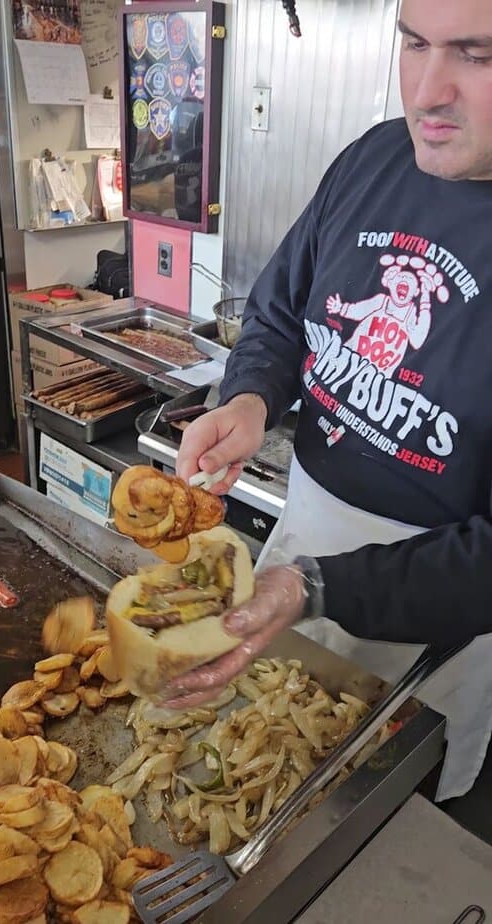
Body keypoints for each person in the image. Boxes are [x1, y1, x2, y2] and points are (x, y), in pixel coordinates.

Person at [170, 0, 492, 803]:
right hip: (304, 542)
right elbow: (281, 313)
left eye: (477, 56)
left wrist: (318, 588)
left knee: (371, 824)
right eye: (413, 44)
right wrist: (250, 398)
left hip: (440, 608)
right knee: (245, 772)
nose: (426, 92)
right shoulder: (374, 159)